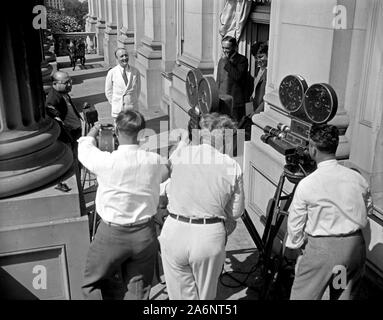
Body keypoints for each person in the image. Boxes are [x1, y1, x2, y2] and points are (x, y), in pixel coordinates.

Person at [78, 110, 170, 300]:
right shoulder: (153, 161)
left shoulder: (106, 162)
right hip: (145, 234)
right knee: (138, 290)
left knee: (92, 283)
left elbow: (84, 149)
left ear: (117, 133)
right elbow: (166, 171)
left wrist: (93, 131)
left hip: (111, 234)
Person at [159, 113, 245, 300]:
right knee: (206, 298)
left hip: (174, 231)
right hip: (208, 235)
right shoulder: (232, 165)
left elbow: (163, 185)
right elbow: (236, 212)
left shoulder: (180, 154)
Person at [286, 124, 373, 300]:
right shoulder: (357, 179)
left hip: (321, 253)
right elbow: (368, 209)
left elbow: (295, 224)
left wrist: (295, 246)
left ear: (313, 149)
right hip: (353, 250)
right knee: (341, 293)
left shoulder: (308, 184)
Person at [46, 71, 83, 151]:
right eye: (66, 83)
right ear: (55, 83)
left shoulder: (63, 93)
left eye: (70, 81)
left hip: (75, 132)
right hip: (70, 136)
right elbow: (55, 119)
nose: (69, 85)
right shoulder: (53, 99)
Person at [216, 36, 249, 122]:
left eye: (227, 48)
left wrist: (227, 62)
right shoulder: (221, 60)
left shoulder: (242, 60)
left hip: (235, 102)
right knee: (225, 128)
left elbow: (237, 76)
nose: (224, 50)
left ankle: (238, 136)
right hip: (222, 101)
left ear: (235, 47)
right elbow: (218, 80)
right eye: (223, 47)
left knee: (238, 128)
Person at [105, 48, 141, 120]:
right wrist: (115, 103)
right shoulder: (112, 72)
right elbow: (108, 91)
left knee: (132, 129)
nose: (124, 58)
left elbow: (138, 89)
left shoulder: (135, 71)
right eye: (121, 56)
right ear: (117, 58)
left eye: (126, 55)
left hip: (132, 108)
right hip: (118, 109)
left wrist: (131, 100)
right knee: (120, 130)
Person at [251, 41, 268, 114]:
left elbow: (266, 98)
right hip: (254, 107)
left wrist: (256, 112)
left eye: (261, 57)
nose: (258, 60)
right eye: (256, 57)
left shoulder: (269, 72)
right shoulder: (258, 69)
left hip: (261, 112)